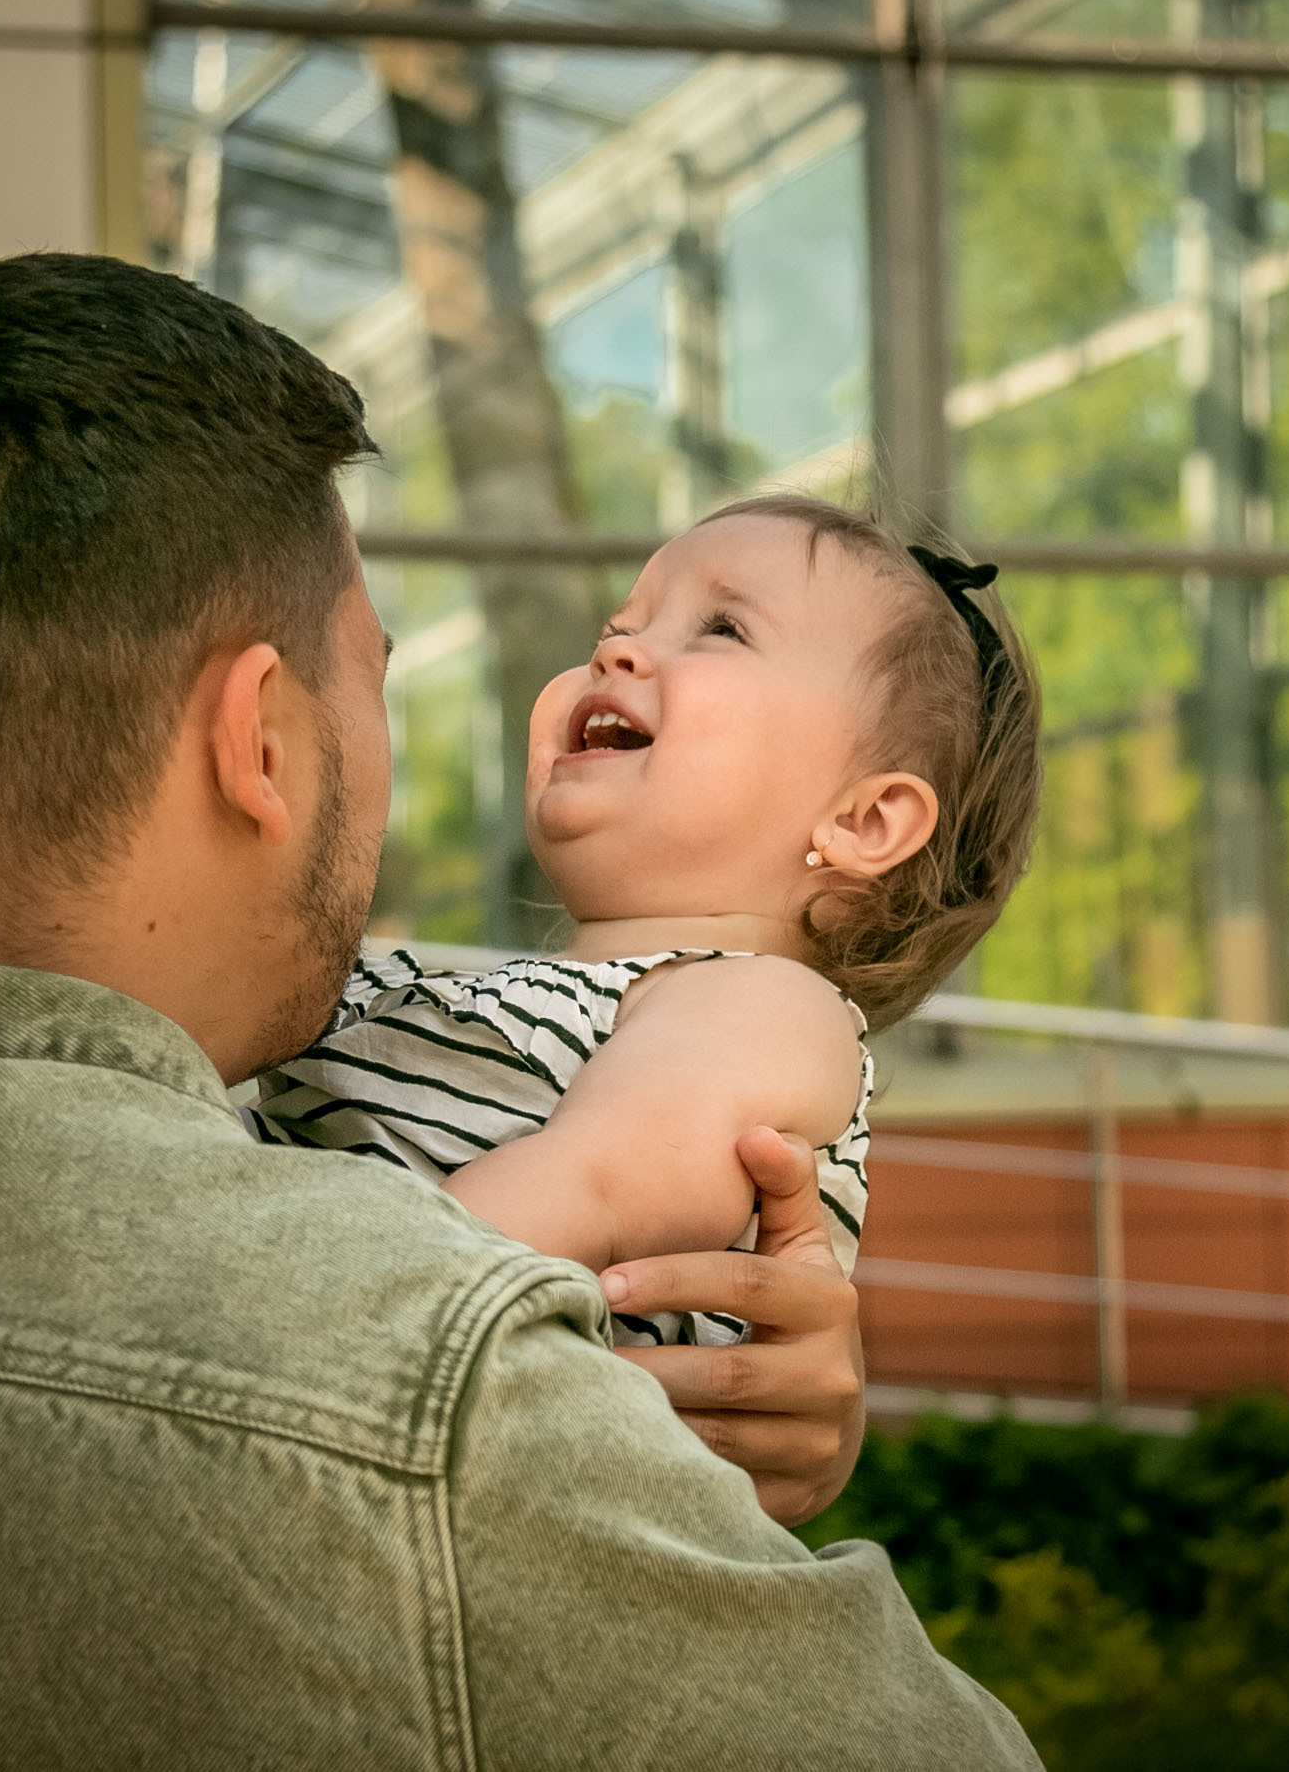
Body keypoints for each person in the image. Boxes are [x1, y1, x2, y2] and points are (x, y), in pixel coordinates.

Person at [0, 253, 1041, 1768]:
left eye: (718, 629)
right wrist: (472, 1385)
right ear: (259, 741)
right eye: (370, 671)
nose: (620, 644)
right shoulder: (394, 1399)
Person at [251, 497, 1041, 1350]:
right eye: (617, 625)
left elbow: (591, 1188)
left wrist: (291, 1327)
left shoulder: (764, 1010)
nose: (613, 651)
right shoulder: (502, 1005)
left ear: (865, 824)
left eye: (723, 630)